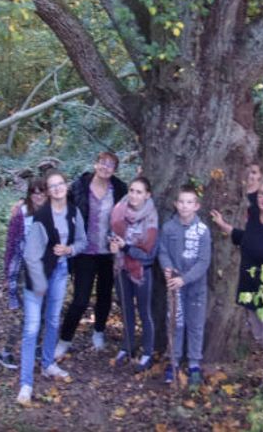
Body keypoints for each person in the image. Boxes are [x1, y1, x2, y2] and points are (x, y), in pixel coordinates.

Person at [212, 173, 263, 392]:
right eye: (262, 193)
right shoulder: (255, 219)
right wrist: (223, 225)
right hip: (249, 290)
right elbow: (245, 238)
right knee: (260, 335)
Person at [17, 169, 86, 405]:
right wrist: (40, 284)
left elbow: (82, 241)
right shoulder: (42, 217)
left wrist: (70, 250)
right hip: (37, 276)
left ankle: (48, 364)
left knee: (54, 320)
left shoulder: (74, 212)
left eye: (60, 184)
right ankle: (26, 384)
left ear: (66, 186)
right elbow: (30, 255)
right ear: (48, 191)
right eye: (52, 186)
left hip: (60, 271)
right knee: (31, 328)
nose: (57, 189)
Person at [57, 151, 127, 356]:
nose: (106, 167)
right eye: (103, 163)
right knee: (80, 298)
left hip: (108, 252)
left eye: (111, 165)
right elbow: (62, 207)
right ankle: (65, 339)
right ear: (96, 164)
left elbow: (129, 213)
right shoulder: (79, 186)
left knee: (105, 296)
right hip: (84, 251)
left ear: (115, 170)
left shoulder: (120, 188)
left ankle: (99, 332)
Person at [158, 184, 211, 388]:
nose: (185, 206)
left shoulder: (202, 231)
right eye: (181, 202)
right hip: (174, 285)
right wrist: (168, 269)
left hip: (195, 287)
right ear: (175, 204)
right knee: (175, 323)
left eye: (189, 202)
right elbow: (162, 251)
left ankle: (195, 363)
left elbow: (203, 262)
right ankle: (174, 360)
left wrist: (185, 279)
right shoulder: (169, 227)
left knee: (195, 324)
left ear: (196, 206)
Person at [109, 176, 159, 371]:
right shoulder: (119, 210)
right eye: (131, 190)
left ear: (147, 195)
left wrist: (126, 247)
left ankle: (148, 351)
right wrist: (113, 245)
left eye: (139, 192)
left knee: (144, 312)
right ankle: (127, 345)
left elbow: (150, 253)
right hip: (121, 267)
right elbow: (111, 233)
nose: (134, 195)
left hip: (142, 271)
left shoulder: (151, 217)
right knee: (126, 310)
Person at [0, 176, 48, 369]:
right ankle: (7, 351)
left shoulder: (52, 211)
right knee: (23, 313)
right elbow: (11, 243)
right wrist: (7, 272)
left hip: (43, 268)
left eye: (41, 191)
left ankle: (36, 346)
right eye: (34, 192)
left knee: (43, 310)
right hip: (22, 268)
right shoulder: (22, 213)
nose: (38, 196)